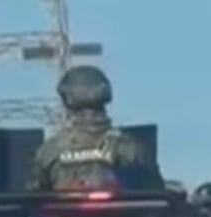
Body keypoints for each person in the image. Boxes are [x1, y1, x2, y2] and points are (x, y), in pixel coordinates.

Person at [27, 65, 164, 191]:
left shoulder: (50, 150)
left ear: (67, 99)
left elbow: (34, 195)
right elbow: (155, 188)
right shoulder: (130, 147)